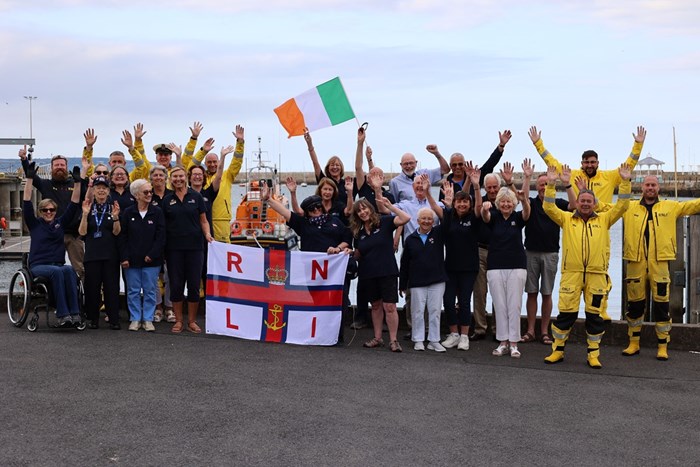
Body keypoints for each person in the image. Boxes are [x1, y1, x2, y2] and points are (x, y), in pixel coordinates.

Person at [542, 163, 632, 369]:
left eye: (588, 201)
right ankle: (557, 351)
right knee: (566, 315)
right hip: (571, 275)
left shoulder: (604, 219)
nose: (584, 204)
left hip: (596, 275)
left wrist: (625, 182)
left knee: (594, 317)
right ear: (577, 202)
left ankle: (593, 354)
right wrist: (551, 184)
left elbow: (623, 206)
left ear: (594, 203)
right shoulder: (566, 219)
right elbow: (548, 207)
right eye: (581, 200)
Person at [620, 175, 700, 360]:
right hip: (635, 262)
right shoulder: (629, 206)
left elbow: (694, 205)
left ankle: (662, 346)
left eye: (653, 185)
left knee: (662, 306)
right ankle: (633, 343)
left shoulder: (670, 207)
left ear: (658, 188)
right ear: (642, 187)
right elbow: (604, 208)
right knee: (635, 305)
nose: (650, 187)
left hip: (660, 263)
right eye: (647, 184)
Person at [426, 167, 482, 351]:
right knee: (448, 301)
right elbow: (435, 207)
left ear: (469, 203)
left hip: (469, 268)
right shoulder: (448, 216)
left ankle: (464, 335)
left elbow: (480, 207)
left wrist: (475, 186)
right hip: (450, 267)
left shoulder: (474, 218)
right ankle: (454, 334)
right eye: (459, 202)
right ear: (455, 203)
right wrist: (428, 191)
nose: (462, 205)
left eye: (465, 202)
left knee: (465, 301)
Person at [481, 160, 532, 358]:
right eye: (502, 201)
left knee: (514, 304)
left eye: (509, 201)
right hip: (495, 266)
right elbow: (485, 218)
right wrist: (485, 209)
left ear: (513, 203)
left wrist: (524, 199)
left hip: (517, 266)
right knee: (500, 304)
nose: (505, 204)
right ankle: (502, 341)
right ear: (498, 203)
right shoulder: (493, 216)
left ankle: (514, 343)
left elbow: (527, 213)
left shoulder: (517, 218)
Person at [21, 159, 82, 327]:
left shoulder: (60, 224)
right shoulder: (35, 224)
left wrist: (77, 183)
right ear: (40, 212)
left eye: (52, 210)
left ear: (55, 212)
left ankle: (75, 313)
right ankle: (63, 314)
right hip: (39, 265)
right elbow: (26, 202)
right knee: (57, 272)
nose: (48, 212)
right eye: (45, 210)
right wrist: (29, 178)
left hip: (58, 264)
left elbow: (74, 204)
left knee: (69, 270)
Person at [350, 197, 411, 352]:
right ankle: (378, 338)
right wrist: (347, 253)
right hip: (368, 273)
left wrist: (391, 207)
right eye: (359, 211)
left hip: (387, 271)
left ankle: (393, 340)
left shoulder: (384, 222)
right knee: (376, 306)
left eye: (365, 208)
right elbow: (358, 253)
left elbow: (406, 218)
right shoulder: (359, 232)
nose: (363, 212)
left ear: (370, 208)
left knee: (390, 306)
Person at [521, 171, 574, 345]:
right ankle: (530, 331)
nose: (544, 187)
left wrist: (567, 185)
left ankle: (544, 331)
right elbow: (523, 197)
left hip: (551, 253)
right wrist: (527, 178)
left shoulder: (557, 203)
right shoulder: (532, 203)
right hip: (531, 252)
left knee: (547, 293)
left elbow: (574, 206)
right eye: (541, 184)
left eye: (547, 184)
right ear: (537, 186)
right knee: (531, 293)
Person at [162, 166, 214, 333]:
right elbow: (162, 225)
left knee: (193, 285)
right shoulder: (167, 199)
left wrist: (207, 235)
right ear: (171, 179)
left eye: (181, 176)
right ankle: (178, 321)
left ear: (186, 177)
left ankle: (191, 321)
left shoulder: (196, 196)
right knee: (176, 285)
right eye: (175, 176)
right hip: (174, 249)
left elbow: (204, 220)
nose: (178, 179)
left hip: (195, 248)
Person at [19, 146, 85, 279]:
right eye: (56, 165)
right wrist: (24, 160)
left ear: (66, 167)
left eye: (62, 165)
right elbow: (31, 175)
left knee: (79, 269)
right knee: (54, 268)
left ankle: (81, 295)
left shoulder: (75, 183)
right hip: (52, 234)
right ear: (51, 167)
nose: (59, 167)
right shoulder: (45, 184)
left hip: (73, 234)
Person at [184, 124, 246, 242]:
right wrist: (202, 152)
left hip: (221, 220)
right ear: (205, 163)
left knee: (221, 252)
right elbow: (190, 168)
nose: (212, 164)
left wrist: (240, 143)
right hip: (200, 219)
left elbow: (237, 161)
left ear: (218, 162)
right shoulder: (200, 176)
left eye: (214, 162)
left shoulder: (227, 175)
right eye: (209, 162)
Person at [119, 179, 166, 332]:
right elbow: (122, 237)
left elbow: (161, 236)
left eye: (150, 192)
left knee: (150, 290)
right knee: (132, 290)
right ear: (136, 195)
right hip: (131, 261)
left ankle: (148, 318)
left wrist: (152, 254)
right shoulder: (128, 212)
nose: (149, 194)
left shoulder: (157, 212)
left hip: (151, 260)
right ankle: (134, 318)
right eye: (145, 192)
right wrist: (124, 257)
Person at [399, 207, 448, 352]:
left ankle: (434, 340)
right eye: (423, 219)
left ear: (433, 221)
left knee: (434, 311)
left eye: (429, 219)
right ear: (418, 221)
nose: (426, 221)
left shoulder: (438, 233)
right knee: (417, 311)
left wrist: (448, 204)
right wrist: (402, 284)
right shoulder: (410, 239)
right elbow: (405, 264)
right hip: (417, 282)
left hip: (437, 280)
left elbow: (448, 220)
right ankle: (418, 339)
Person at [79, 175, 122, 330]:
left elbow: (117, 232)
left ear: (108, 190)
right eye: (98, 188)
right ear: (94, 190)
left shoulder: (113, 207)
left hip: (110, 255)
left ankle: (114, 319)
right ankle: (93, 318)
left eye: (104, 188)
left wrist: (116, 218)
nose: (101, 191)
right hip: (92, 255)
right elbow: (82, 232)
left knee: (112, 288)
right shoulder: (88, 208)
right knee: (92, 288)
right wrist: (84, 215)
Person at [437, 129, 511, 202]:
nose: (457, 167)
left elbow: (490, 164)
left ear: (464, 164)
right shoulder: (445, 186)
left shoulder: (475, 178)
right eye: (454, 165)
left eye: (460, 164)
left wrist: (501, 145)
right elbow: (442, 208)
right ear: (450, 166)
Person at [149, 164, 175, 323]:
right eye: (155, 175)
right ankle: (158, 307)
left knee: (171, 275)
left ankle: (170, 308)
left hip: (171, 241)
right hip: (152, 242)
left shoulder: (173, 195)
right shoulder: (147, 195)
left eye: (161, 175)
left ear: (166, 178)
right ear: (151, 178)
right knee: (153, 277)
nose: (158, 178)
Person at [303, 128, 348, 202]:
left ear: (341, 167)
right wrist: (309, 144)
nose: (335, 167)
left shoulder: (347, 184)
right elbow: (315, 163)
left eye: (337, 165)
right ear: (328, 168)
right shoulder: (323, 180)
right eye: (332, 165)